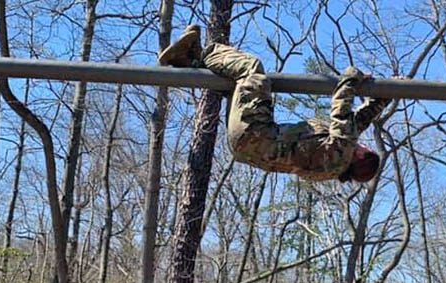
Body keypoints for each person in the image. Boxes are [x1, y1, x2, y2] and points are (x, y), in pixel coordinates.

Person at [158, 25, 392, 183]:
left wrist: (352, 76)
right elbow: (355, 123)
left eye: (364, 148)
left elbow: (341, 110)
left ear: (361, 157)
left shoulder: (341, 150)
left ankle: (199, 52)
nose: (362, 144)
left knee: (251, 70)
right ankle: (185, 59)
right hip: (247, 146)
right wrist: (385, 95)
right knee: (233, 85)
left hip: (255, 134)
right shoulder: (335, 162)